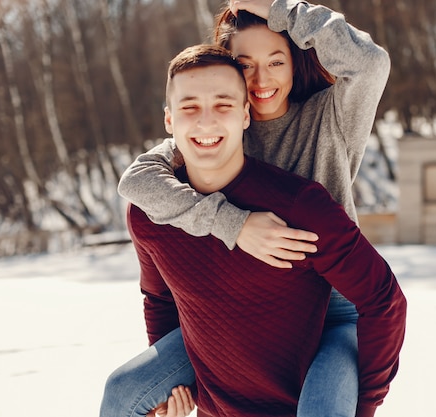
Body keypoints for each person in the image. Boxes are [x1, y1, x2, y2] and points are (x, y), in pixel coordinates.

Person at [108, 0, 391, 416]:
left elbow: (370, 63)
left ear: (296, 62)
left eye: (276, 61)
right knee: (123, 393)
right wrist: (234, 224)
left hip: (329, 303)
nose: (261, 79)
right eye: (245, 64)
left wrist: (282, 10)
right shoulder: (222, 126)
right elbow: (138, 180)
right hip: (242, 310)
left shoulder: (330, 119)